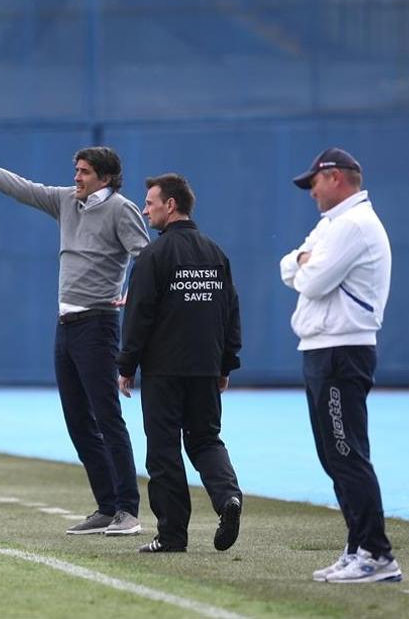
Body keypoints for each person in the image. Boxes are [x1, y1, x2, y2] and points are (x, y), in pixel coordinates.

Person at [0, 132, 148, 535]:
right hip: (66, 326)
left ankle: (128, 511)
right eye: (76, 170)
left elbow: (146, 258)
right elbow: (22, 188)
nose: (76, 177)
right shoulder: (66, 201)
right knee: (78, 421)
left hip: (98, 324)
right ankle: (106, 506)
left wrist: (134, 291)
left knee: (107, 418)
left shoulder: (121, 209)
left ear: (106, 178)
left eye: (84, 172)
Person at [280, 148, 402, 583]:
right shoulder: (332, 223)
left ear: (334, 178)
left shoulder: (353, 224)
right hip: (323, 348)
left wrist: (305, 263)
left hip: (342, 350)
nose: (311, 192)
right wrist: (303, 261)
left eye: (314, 182)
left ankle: (377, 554)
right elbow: (288, 266)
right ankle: (357, 546)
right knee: (334, 455)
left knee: (346, 453)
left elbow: (311, 280)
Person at [116, 174, 243, 554]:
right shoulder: (215, 253)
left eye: (150, 203)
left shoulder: (153, 256)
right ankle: (228, 497)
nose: (145, 210)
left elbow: (139, 315)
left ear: (170, 205)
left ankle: (172, 535)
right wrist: (226, 363)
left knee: (164, 449)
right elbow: (230, 312)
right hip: (206, 367)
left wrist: (126, 365)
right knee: (205, 439)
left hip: (164, 370)